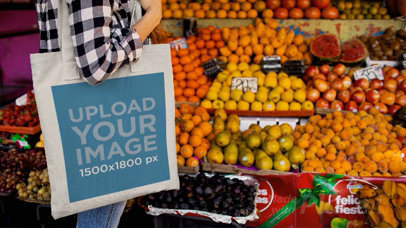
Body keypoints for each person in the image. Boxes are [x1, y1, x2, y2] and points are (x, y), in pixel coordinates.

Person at [34, 0, 164, 226]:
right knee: (100, 215)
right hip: (105, 113)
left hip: (76, 109)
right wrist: (153, 15)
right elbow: (97, 66)